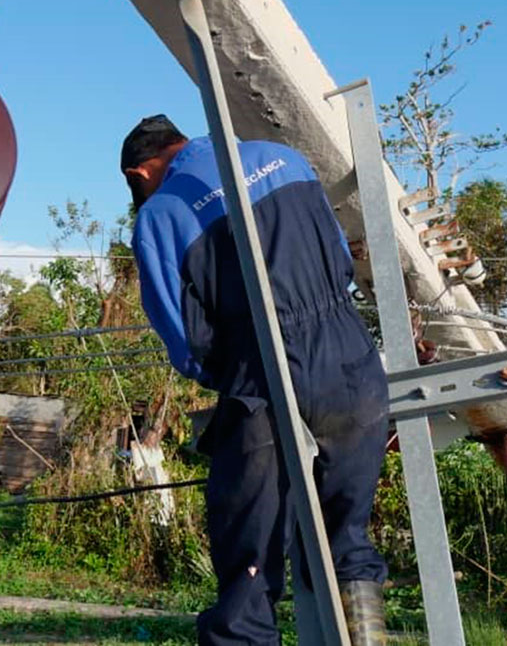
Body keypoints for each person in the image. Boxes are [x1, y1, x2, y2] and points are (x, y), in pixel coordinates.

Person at [122, 114, 390, 645]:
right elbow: (339, 255)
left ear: (141, 172)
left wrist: (235, 373)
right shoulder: (283, 157)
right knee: (348, 545)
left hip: (261, 376)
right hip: (352, 362)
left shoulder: (160, 212)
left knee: (249, 569)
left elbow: (185, 338)